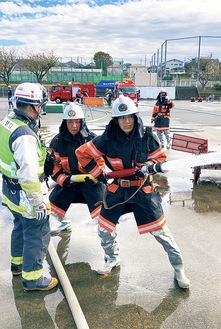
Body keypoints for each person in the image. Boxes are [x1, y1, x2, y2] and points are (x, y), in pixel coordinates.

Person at [75, 95, 190, 289]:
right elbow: (82, 154)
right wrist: (99, 174)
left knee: (161, 232)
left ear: (135, 117)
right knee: (104, 229)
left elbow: (159, 158)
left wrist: (149, 166)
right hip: (117, 189)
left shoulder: (146, 136)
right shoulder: (107, 139)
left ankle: (179, 268)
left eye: (129, 117)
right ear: (116, 120)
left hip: (142, 190)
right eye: (122, 118)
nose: (126, 121)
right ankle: (112, 258)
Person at [0, 82, 58, 291]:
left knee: (20, 226)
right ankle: (33, 278)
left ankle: (17, 265)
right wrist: (39, 203)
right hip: (27, 196)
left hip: (10, 192)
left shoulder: (7, 123)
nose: (41, 109)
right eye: (40, 105)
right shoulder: (24, 135)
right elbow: (28, 175)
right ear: (33, 106)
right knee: (37, 232)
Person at [49, 102, 105, 234]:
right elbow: (53, 167)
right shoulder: (57, 142)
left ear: (82, 122)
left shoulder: (92, 140)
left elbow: (102, 163)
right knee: (51, 206)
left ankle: (106, 234)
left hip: (91, 183)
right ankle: (64, 224)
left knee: (105, 212)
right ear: (65, 123)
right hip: (69, 182)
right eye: (70, 122)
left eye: (77, 122)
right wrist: (64, 180)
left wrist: (97, 176)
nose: (74, 126)